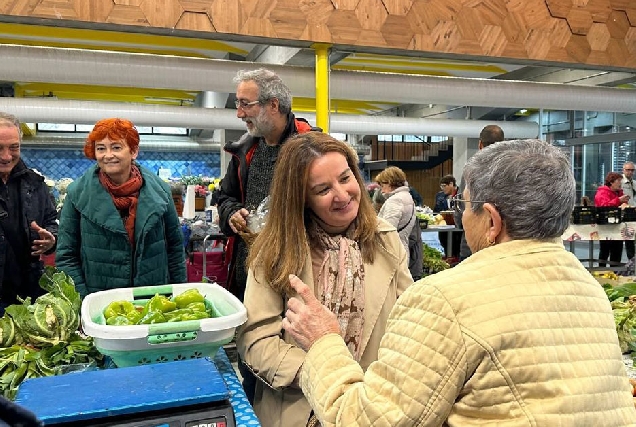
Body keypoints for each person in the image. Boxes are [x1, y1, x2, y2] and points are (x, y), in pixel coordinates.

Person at [282, 139, 636, 426]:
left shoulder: (445, 299)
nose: (463, 216)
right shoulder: (589, 289)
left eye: (465, 206)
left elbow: (366, 421)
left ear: (492, 222)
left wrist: (324, 341)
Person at [236, 132, 413, 427]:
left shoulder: (385, 239)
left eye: (345, 179)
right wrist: (322, 372)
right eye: (323, 189)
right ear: (302, 198)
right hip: (300, 407)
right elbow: (256, 340)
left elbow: (409, 318)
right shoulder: (276, 250)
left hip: (373, 408)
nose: (342, 195)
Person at [216, 68, 318, 404]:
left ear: (273, 105)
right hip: (250, 273)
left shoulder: (311, 146)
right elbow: (225, 195)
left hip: (297, 276)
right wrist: (232, 213)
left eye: (245, 104)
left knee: (291, 356)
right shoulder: (246, 151)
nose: (239, 113)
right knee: (252, 353)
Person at [56, 118, 186, 297]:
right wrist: (83, 302)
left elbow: (175, 248)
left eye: (116, 147)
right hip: (100, 302)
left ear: (133, 151)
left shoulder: (161, 191)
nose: (108, 155)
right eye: (101, 148)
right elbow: (66, 256)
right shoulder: (76, 194)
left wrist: (177, 295)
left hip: (153, 300)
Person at [0, 112, 57, 314]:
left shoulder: (35, 183)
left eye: (14, 147)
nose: (6, 156)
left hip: (28, 291)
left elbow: (51, 220)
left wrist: (51, 241)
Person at [456, 124, 504, 260]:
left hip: (474, 242)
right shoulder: (513, 170)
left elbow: (461, 209)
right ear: (503, 144)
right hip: (505, 243)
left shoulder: (471, 170)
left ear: (480, 144)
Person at [375, 166, 422, 280]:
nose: (381, 189)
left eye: (382, 185)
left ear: (390, 182)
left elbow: (386, 230)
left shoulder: (395, 200)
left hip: (392, 253)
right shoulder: (407, 197)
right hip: (401, 250)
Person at [595, 171, 630, 268]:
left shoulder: (619, 192)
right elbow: (603, 206)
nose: (620, 183)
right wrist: (619, 200)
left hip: (618, 226)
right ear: (611, 182)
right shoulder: (602, 192)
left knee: (617, 250)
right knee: (605, 249)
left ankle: (615, 271)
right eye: (618, 180)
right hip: (605, 226)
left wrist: (624, 204)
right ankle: (601, 271)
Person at [621, 161, 635, 260]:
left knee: (632, 238)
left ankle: (633, 262)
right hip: (624, 214)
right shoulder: (619, 182)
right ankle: (630, 261)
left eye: (632, 170)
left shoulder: (634, 183)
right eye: (628, 170)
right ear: (623, 170)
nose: (630, 172)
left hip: (634, 213)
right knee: (627, 238)